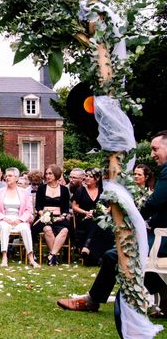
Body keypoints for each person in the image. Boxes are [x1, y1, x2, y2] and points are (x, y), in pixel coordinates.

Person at [58, 130, 167, 312]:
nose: (152, 154)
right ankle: (164, 298)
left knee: (114, 255)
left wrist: (131, 216)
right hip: (158, 233)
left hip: (162, 240)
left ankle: (92, 300)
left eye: (155, 149)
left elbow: (155, 202)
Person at [0, 167, 39, 267]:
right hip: (4, 218)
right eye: (6, 176)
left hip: (19, 219)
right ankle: (4, 256)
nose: (7, 178)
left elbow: (29, 210)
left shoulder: (24, 193)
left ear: (17, 178)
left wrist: (20, 219)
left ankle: (31, 258)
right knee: (4, 227)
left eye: (10, 176)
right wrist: (4, 218)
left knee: (26, 229)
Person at [72, 168, 112, 265]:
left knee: (100, 225)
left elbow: (110, 205)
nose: (87, 178)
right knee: (94, 223)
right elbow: (74, 206)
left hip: (100, 219)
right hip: (84, 219)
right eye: (86, 176)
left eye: (90, 176)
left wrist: (105, 211)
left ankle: (88, 249)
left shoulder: (103, 191)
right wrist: (85, 212)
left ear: (97, 178)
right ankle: (89, 250)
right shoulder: (80, 190)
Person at [35, 164, 71, 265]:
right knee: (47, 229)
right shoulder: (42, 188)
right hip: (44, 217)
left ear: (56, 174)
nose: (47, 176)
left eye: (50, 173)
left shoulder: (64, 190)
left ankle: (52, 255)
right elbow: (38, 207)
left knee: (65, 230)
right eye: (46, 174)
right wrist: (44, 215)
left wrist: (61, 217)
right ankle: (54, 257)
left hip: (59, 217)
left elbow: (65, 209)